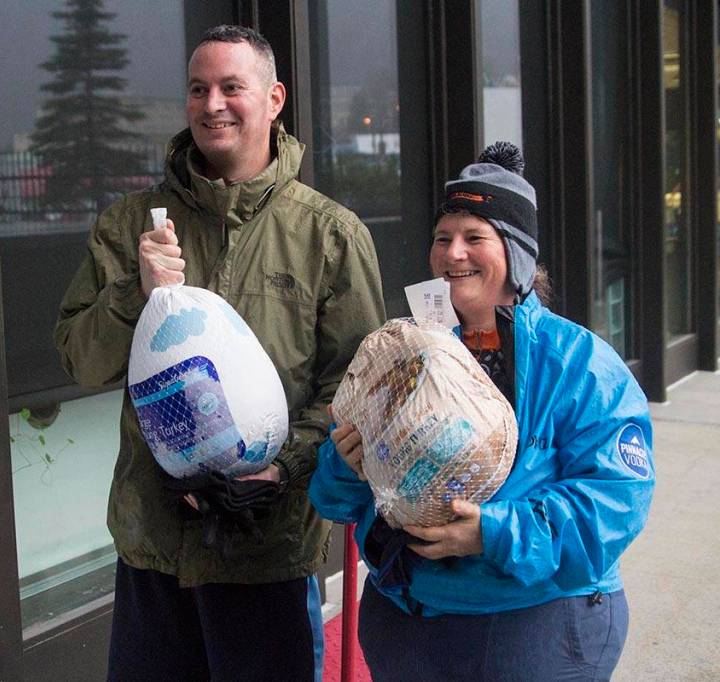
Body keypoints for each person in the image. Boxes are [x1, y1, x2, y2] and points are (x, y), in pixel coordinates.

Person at [54, 25, 385, 681]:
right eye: (199, 89)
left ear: (273, 98)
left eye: (232, 87)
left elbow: (360, 387)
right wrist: (135, 293)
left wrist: (284, 466)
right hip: (154, 548)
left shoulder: (329, 234)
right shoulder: (130, 226)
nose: (213, 104)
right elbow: (80, 359)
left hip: (268, 549)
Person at [309, 141, 655, 680]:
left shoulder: (580, 364)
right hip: (407, 616)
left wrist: (493, 533)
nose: (452, 254)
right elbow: (335, 500)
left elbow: (616, 503)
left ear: (516, 253)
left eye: (475, 237)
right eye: (443, 238)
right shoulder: (406, 356)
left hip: (533, 624)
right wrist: (344, 464)